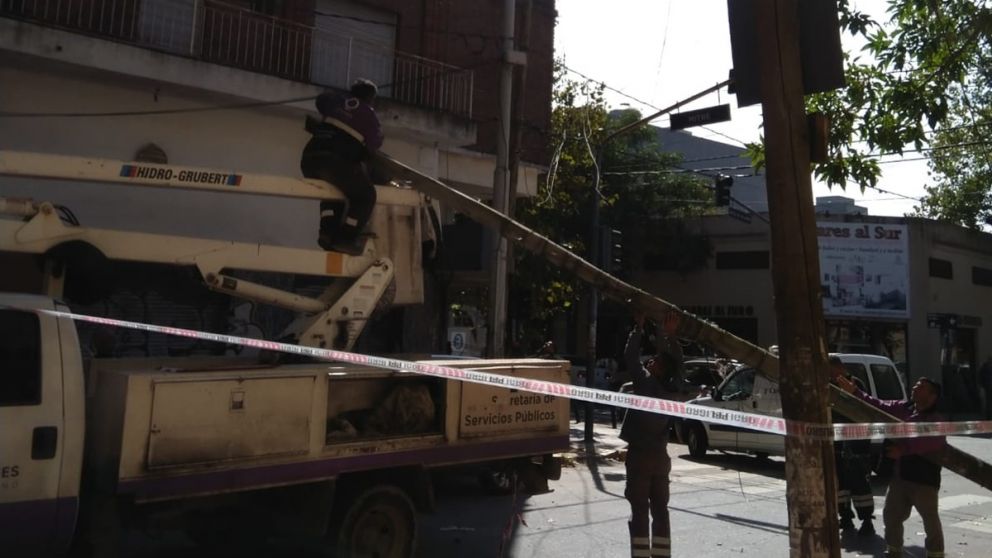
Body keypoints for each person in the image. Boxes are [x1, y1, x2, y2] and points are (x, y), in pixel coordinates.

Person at [834, 373, 946, 558]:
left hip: (925, 478)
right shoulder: (904, 408)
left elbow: (933, 441)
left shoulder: (936, 418)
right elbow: (879, 405)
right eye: (916, 384)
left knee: (930, 519)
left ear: (932, 396)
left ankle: (936, 553)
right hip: (901, 476)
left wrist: (904, 450)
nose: (915, 388)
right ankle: (894, 551)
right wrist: (855, 392)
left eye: (921, 387)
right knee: (891, 515)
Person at [620, 312, 682, 558]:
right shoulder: (672, 389)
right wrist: (671, 335)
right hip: (660, 459)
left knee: (639, 511)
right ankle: (661, 555)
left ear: (659, 370)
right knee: (661, 511)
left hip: (640, 458)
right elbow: (678, 364)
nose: (650, 361)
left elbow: (630, 357)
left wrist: (638, 328)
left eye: (655, 361)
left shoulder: (645, 383)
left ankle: (640, 555)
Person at [301, 78, 384, 255]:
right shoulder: (369, 115)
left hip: (309, 160)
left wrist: (343, 105)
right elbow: (376, 142)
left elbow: (321, 100)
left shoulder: (336, 100)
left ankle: (327, 232)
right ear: (371, 98)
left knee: (334, 191)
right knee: (365, 196)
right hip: (334, 162)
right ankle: (346, 238)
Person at [828, 356, 875, 536]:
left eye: (830, 370)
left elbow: (862, 408)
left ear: (839, 367)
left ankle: (867, 520)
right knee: (840, 484)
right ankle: (845, 516)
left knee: (860, 482)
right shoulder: (828, 385)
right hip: (837, 443)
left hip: (857, 444)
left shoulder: (855, 384)